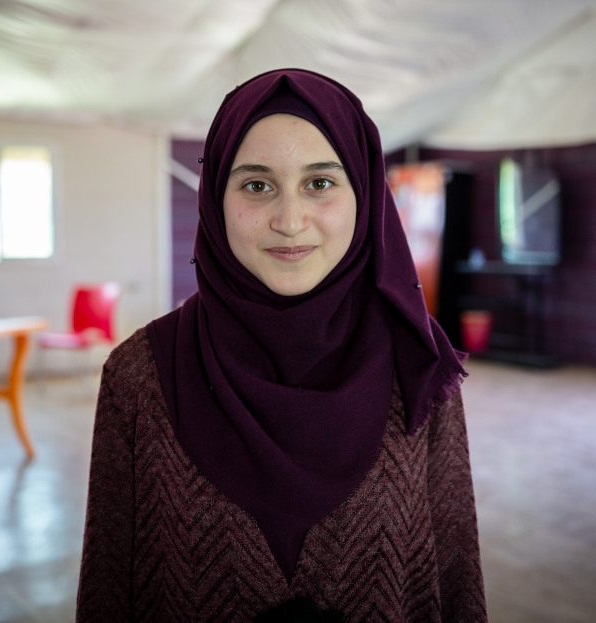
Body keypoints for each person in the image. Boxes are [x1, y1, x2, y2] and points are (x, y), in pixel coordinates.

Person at [76, 68, 487, 622]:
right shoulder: (139, 376)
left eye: (319, 183)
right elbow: (108, 591)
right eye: (256, 185)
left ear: (364, 194)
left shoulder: (418, 363)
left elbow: (456, 580)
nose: (290, 221)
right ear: (215, 199)